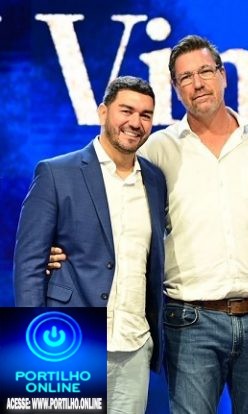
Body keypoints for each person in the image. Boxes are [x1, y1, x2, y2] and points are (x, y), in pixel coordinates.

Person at [13, 76, 166, 413]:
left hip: (135, 343)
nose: (136, 122)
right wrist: (33, 345)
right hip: (68, 339)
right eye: (126, 110)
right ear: (103, 112)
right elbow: (28, 265)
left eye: (145, 115)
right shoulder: (56, 173)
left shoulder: (155, 180)